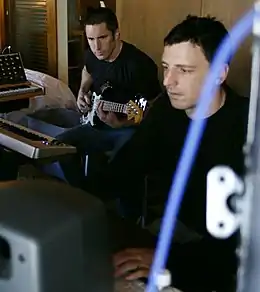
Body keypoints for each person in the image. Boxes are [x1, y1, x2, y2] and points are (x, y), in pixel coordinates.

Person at [84, 15, 249, 291]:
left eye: (183, 70)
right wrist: (71, 205)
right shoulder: (165, 112)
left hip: (227, 262)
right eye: (166, 67)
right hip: (178, 233)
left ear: (220, 73)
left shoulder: (247, 128)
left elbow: (242, 244)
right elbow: (124, 169)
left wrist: (168, 260)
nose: (168, 81)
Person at [0, 6, 161, 184]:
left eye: (102, 38)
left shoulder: (139, 65)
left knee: (122, 161)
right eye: (90, 39)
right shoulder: (92, 55)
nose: (96, 46)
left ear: (116, 35)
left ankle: (125, 208)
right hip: (97, 122)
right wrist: (82, 90)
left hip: (130, 129)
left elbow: (153, 110)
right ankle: (82, 192)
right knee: (59, 146)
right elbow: (88, 70)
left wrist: (121, 123)